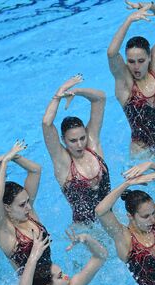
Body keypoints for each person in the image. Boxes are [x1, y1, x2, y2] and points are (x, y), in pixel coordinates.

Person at [107, 1, 155, 155]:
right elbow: (112, 53)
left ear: (150, 57)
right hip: (143, 154)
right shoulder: (125, 84)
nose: (136, 67)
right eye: (131, 62)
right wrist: (129, 20)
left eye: (141, 61)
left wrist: (150, 5)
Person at [41, 75, 110, 224]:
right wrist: (58, 95)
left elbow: (100, 98)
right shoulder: (63, 161)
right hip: (87, 229)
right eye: (73, 141)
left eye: (82, 138)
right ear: (63, 140)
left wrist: (76, 91)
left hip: (111, 218)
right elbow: (46, 124)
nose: (79, 145)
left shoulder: (92, 145)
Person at [0, 141, 51, 277]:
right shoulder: (4, 229)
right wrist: (4, 162)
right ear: (7, 208)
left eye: (28, 201)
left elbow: (35, 170)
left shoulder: (29, 214)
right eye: (22, 204)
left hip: (52, 280)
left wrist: (14, 157)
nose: (28, 207)